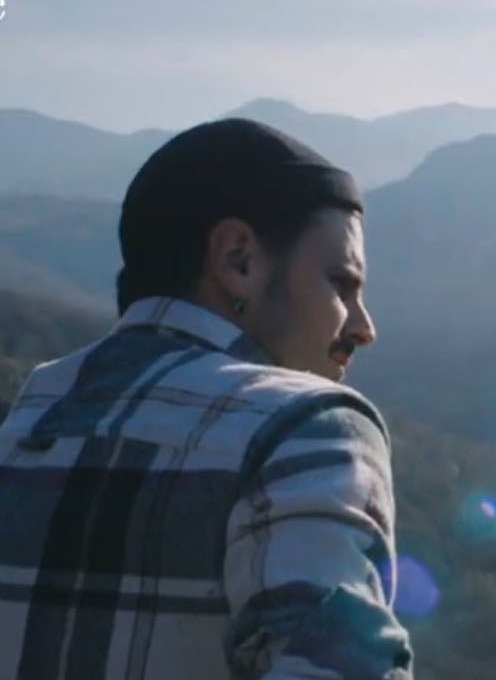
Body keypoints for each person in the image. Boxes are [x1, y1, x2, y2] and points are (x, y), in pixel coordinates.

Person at [0, 119, 413, 679]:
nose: (363, 328)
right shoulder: (306, 427)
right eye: (340, 283)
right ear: (237, 259)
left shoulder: (28, 421)